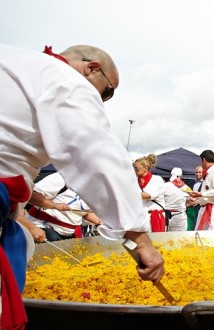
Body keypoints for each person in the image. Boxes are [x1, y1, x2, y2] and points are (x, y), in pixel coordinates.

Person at [0, 43, 164, 327]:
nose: (102, 101)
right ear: (91, 69)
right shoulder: (66, 79)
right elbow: (97, 154)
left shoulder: (12, 58)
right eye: (107, 91)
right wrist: (140, 240)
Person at [25, 172, 102, 241]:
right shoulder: (61, 178)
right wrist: (54, 205)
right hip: (44, 229)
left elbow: (84, 212)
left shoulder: (92, 189)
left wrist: (101, 222)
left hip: (69, 235)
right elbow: (31, 195)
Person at [188, 150, 214, 231]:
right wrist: (198, 198)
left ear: (204, 160)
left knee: (211, 237)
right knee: (199, 235)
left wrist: (201, 194)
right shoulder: (209, 172)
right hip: (206, 208)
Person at [134, 154, 166, 232]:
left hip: (153, 218)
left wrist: (127, 194)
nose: (133, 170)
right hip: (140, 218)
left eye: (136, 168)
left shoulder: (157, 180)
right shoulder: (134, 180)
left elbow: (147, 196)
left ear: (145, 168)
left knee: (156, 242)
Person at [185, 166, 204, 231]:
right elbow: (186, 194)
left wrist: (198, 201)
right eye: (196, 172)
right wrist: (188, 200)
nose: (198, 174)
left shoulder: (205, 183)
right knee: (189, 228)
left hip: (199, 208)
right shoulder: (190, 182)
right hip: (190, 209)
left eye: (199, 172)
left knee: (197, 229)